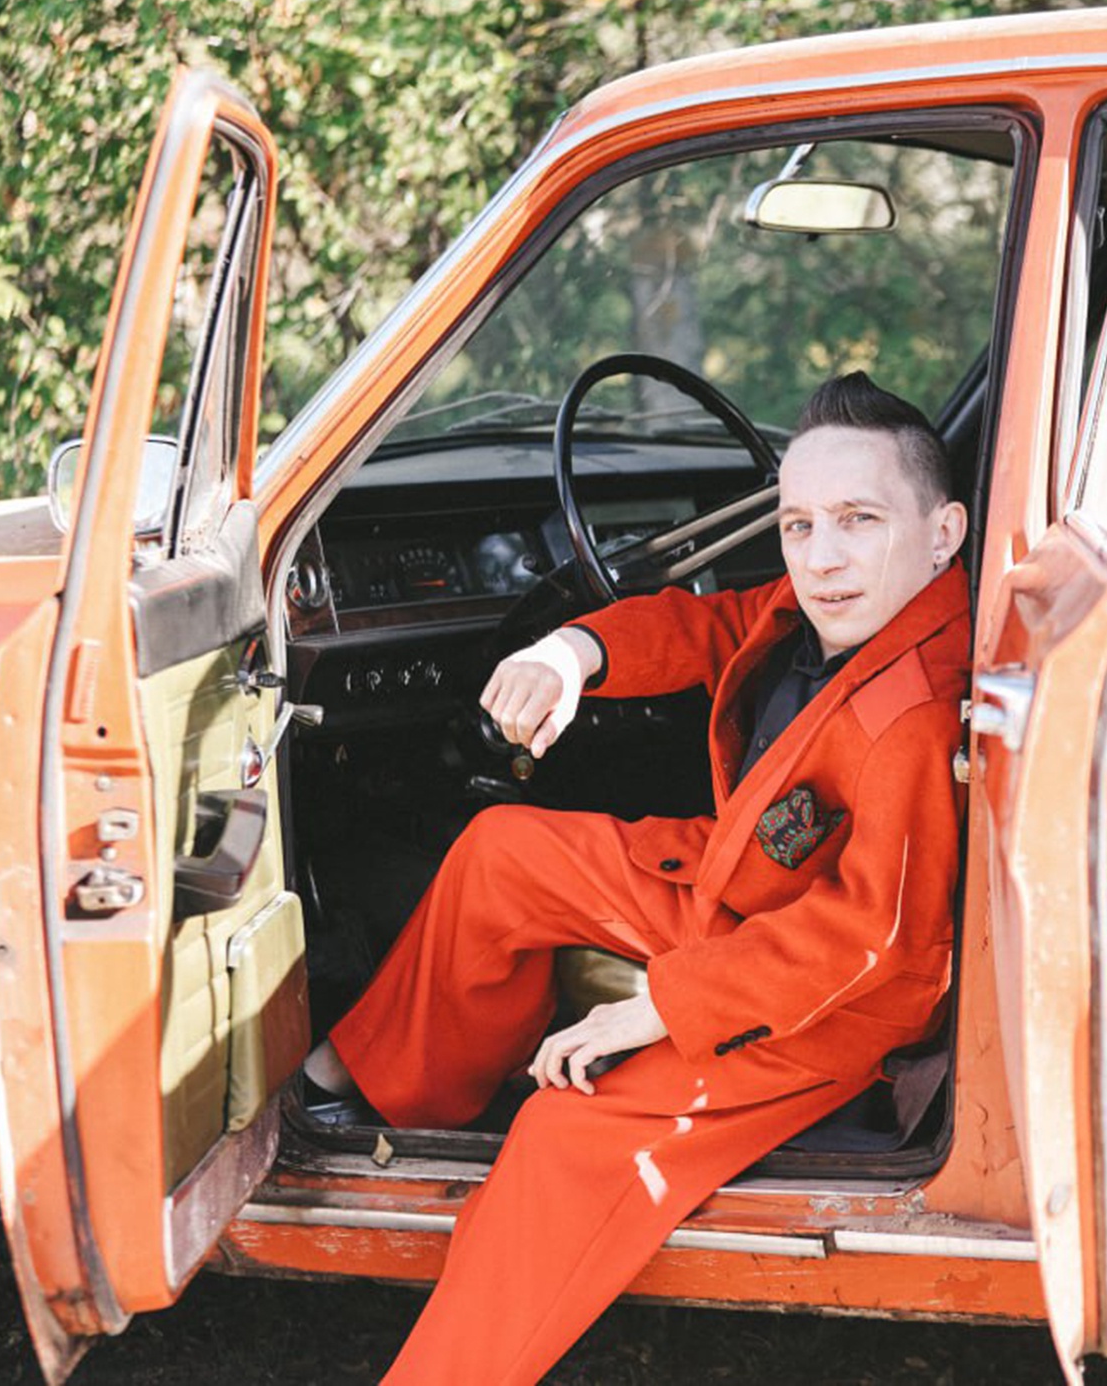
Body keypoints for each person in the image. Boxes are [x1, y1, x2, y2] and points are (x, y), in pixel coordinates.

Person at [299, 371, 972, 1385]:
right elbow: (712, 627)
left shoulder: (913, 714)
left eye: (859, 520)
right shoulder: (836, 607)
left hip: (829, 1001)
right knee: (502, 852)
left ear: (943, 533)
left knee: (566, 1137)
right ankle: (391, 1089)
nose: (821, 558)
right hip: (743, 883)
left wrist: (659, 1005)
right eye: (798, 525)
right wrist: (574, 652)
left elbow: (877, 944)